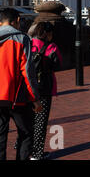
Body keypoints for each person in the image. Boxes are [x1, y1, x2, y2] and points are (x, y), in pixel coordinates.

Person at [0, 8, 42, 160]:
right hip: (18, 97)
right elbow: (28, 72)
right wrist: (35, 98)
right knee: (26, 134)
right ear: (17, 20)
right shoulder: (21, 39)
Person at [29, 22, 63, 160]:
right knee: (40, 122)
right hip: (44, 89)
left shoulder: (27, 44)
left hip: (27, 88)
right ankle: (37, 154)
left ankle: (25, 150)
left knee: (27, 121)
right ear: (47, 34)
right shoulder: (51, 47)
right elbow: (59, 64)